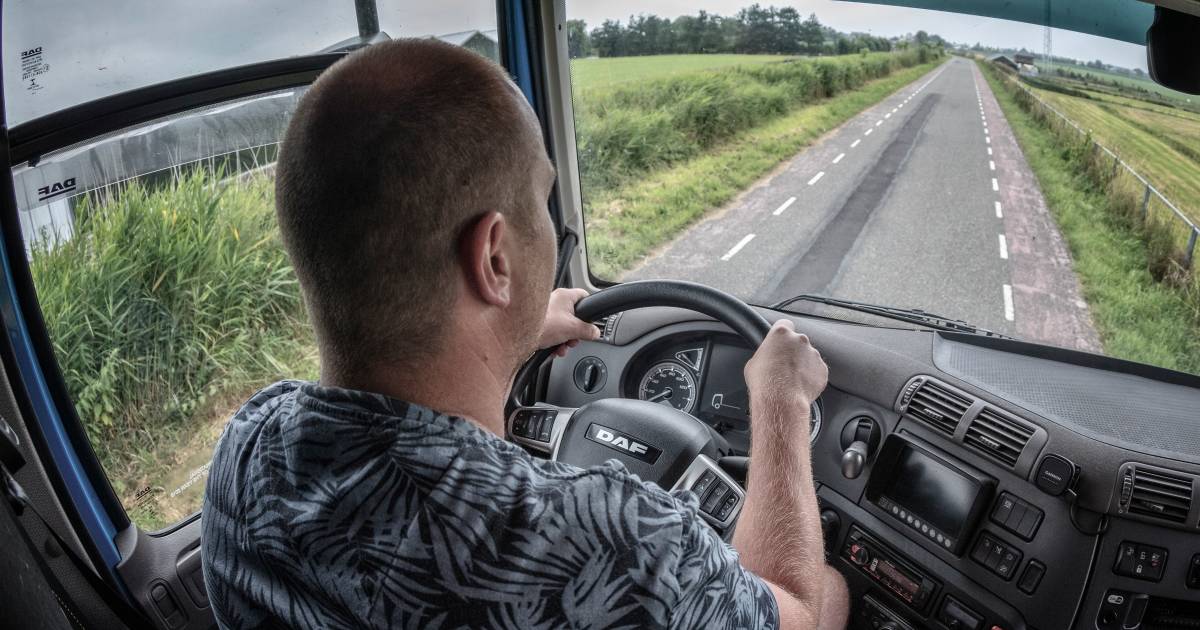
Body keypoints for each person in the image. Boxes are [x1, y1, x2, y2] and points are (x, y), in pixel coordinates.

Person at [201, 38, 848, 629]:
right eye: (542, 201)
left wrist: (512, 324)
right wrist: (781, 401)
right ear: (495, 259)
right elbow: (795, 609)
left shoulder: (247, 449)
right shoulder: (612, 544)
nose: (552, 224)